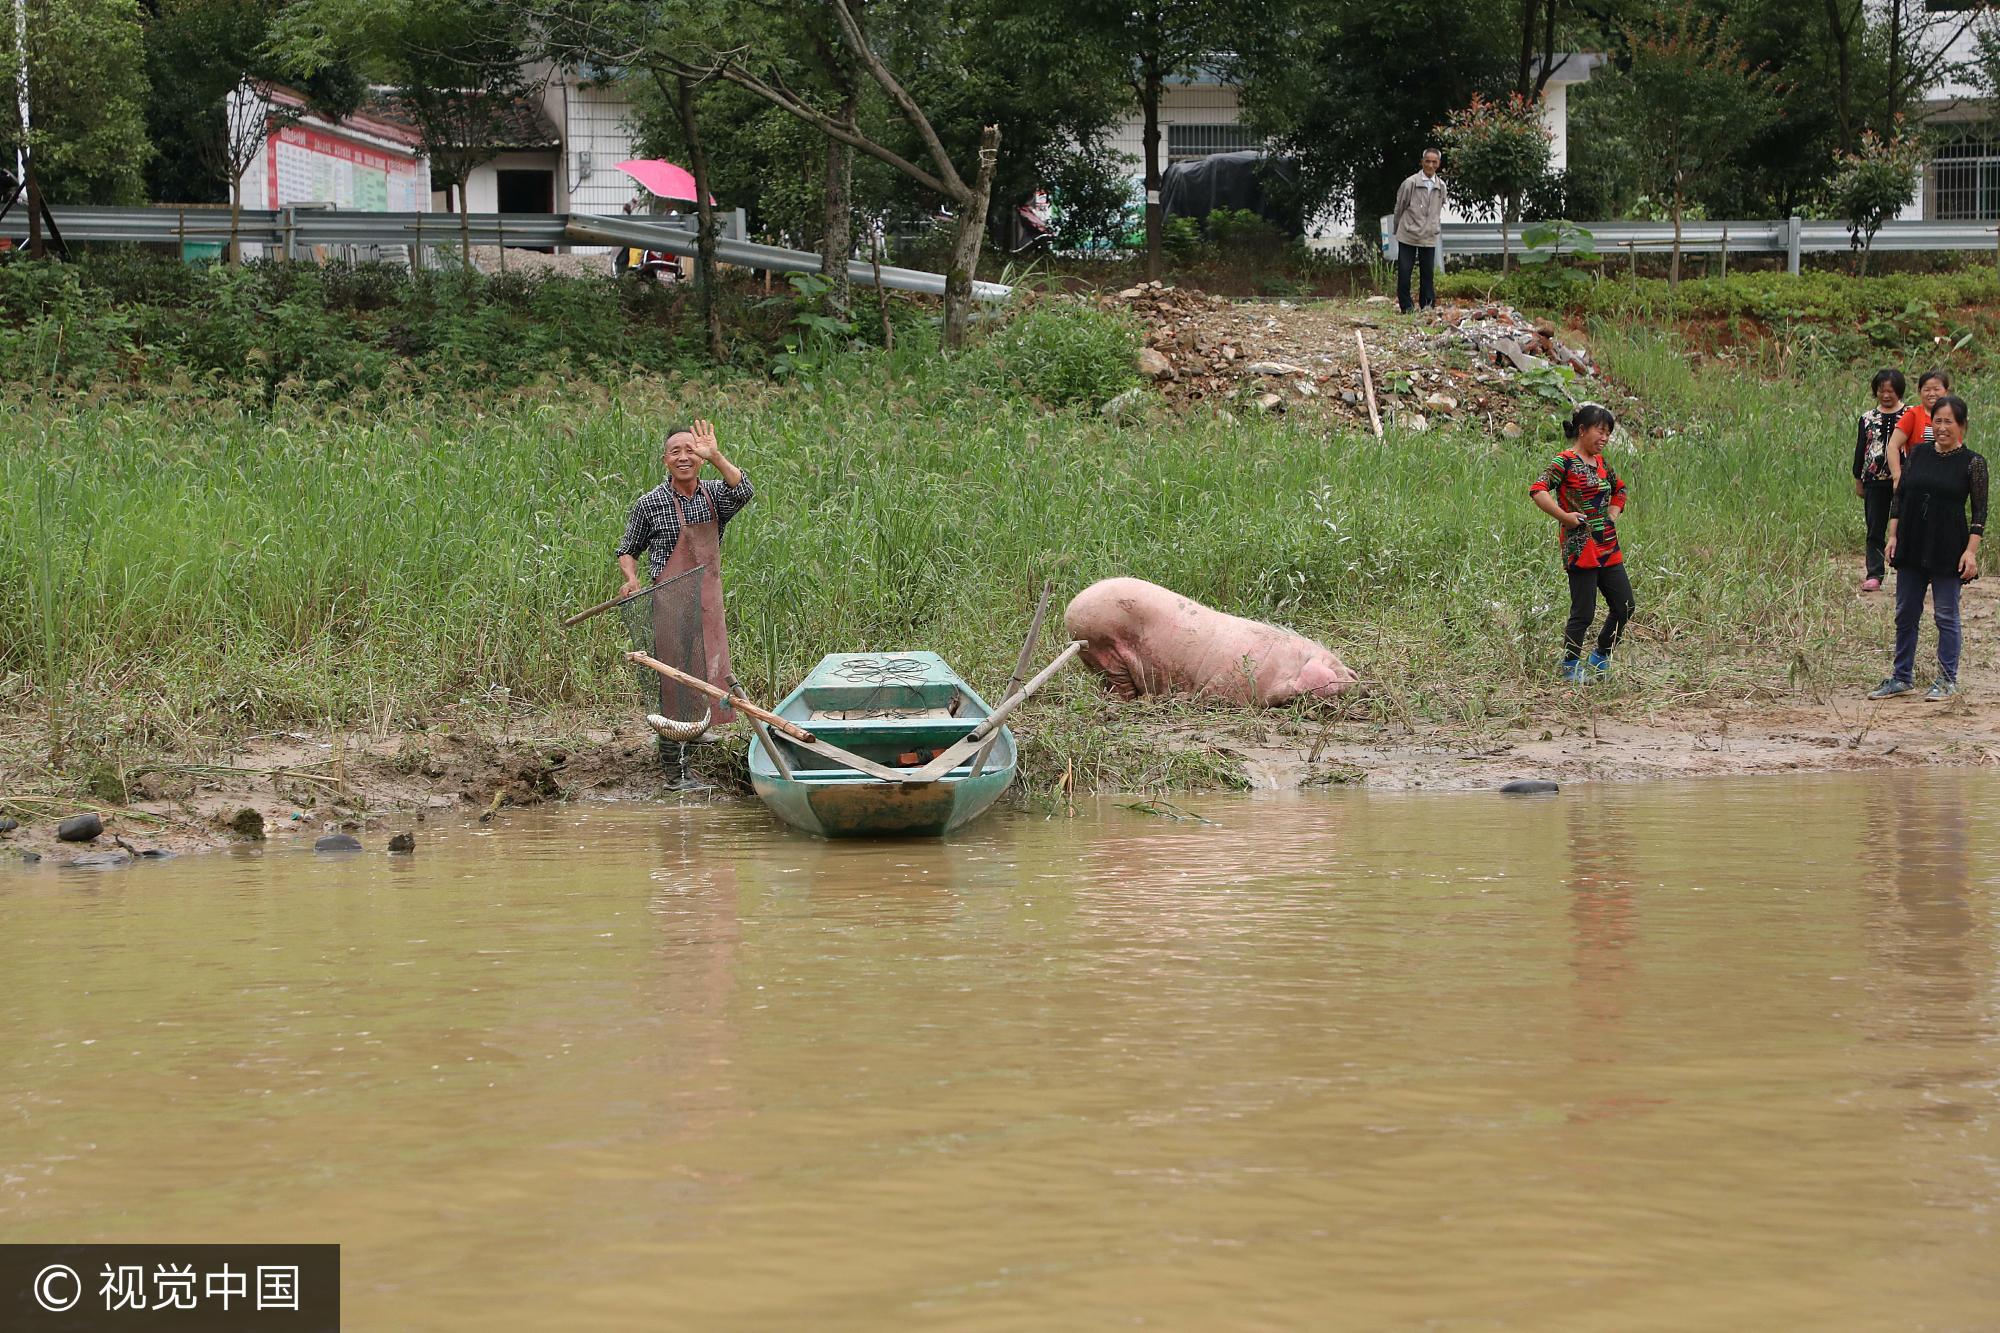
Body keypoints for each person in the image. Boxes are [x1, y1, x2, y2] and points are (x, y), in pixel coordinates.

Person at [615, 420, 755, 731]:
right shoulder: (650, 503)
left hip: (707, 602)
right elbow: (628, 549)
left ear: (700, 459)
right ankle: (673, 758)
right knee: (674, 675)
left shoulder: (716, 495)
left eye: (690, 451)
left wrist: (717, 456)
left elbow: (744, 489)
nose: (683, 457)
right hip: (670, 604)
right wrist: (631, 579)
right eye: (674, 452)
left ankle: (699, 731)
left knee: (710, 668)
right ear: (665, 461)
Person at [1871, 396, 1985, 701]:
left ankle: (1947, 680)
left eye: (1949, 421)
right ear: (1930, 423)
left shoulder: (1973, 463)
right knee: (1905, 612)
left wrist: (1970, 552)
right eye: (1937, 420)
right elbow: (1901, 497)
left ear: (1962, 426)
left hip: (1948, 547)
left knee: (1946, 615)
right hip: (1911, 540)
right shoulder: (1918, 453)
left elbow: (1979, 514)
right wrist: (1893, 536)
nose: (1943, 427)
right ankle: (1901, 677)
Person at [1530, 402, 1632, 682]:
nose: (1605, 438)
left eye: (1609, 433)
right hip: (1580, 546)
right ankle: (1571, 665)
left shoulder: (1601, 464)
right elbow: (1538, 490)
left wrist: (1613, 512)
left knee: (1624, 606)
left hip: (1607, 545)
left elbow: (1619, 489)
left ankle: (1600, 656)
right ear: (1582, 430)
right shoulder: (1564, 461)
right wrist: (1564, 516)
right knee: (1583, 612)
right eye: (1600, 431)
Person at [1853, 368, 1906, 591]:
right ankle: (1875, 573)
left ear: (1899, 392)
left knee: (1905, 526)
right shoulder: (1867, 418)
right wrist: (1858, 478)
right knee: (1875, 527)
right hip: (1874, 479)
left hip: (1904, 480)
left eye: (1891, 391)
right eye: (1882, 390)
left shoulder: (1909, 414)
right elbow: (1860, 450)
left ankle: (1906, 572)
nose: (1886, 395)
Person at [1392, 148, 1446, 315]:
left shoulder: (1441, 186)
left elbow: (1439, 207)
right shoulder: (1411, 183)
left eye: (1434, 162)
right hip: (1409, 233)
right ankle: (1406, 306)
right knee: (1405, 271)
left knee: (1427, 273)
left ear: (1438, 164)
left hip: (1429, 235)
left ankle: (1427, 305)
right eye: (1427, 161)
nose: (1430, 165)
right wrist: (1397, 228)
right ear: (1422, 162)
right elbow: (1400, 206)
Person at [1886, 368, 1952, 486]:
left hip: (1946, 477)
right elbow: (1892, 446)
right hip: (1917, 479)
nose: (1932, 394)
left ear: (1946, 391)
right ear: (1920, 392)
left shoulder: (1954, 416)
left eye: (1936, 389)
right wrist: (1897, 477)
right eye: (1927, 390)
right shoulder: (1913, 415)